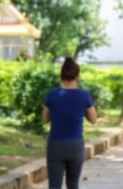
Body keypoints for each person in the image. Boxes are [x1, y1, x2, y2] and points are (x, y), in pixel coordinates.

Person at [43, 57, 97, 189]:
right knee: (73, 184)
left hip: (55, 145)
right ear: (77, 77)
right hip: (75, 145)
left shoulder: (52, 94)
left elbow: (45, 119)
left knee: (54, 185)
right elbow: (93, 119)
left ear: (61, 76)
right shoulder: (84, 95)